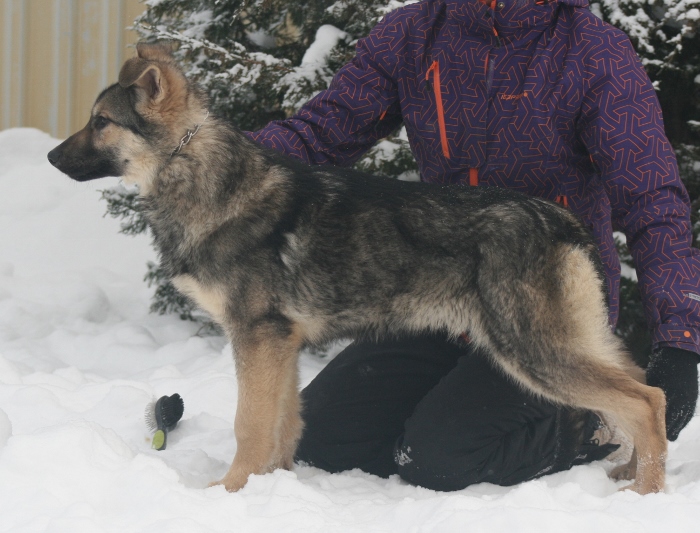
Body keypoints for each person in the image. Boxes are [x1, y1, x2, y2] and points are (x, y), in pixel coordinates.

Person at [248, 0, 700, 490]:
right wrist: (212, 156)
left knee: (442, 459)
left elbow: (650, 199)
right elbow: (322, 132)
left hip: (544, 302)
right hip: (438, 292)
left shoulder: (592, 50)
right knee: (321, 439)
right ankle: (445, 420)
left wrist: (679, 340)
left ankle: (590, 423)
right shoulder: (413, 33)